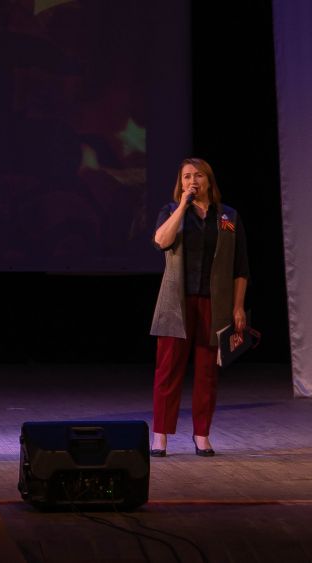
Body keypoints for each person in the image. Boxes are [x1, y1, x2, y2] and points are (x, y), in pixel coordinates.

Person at [149, 158, 248, 457]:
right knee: (168, 370)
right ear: (180, 183)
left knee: (207, 373)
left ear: (209, 180)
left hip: (214, 303)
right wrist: (182, 206)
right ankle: (160, 435)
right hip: (176, 303)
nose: (193, 181)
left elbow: (240, 267)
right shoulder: (171, 211)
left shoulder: (228, 216)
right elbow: (161, 241)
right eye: (187, 177)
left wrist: (238, 307)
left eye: (199, 175)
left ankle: (202, 434)